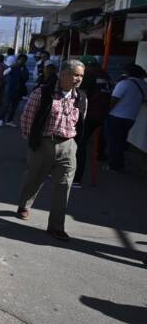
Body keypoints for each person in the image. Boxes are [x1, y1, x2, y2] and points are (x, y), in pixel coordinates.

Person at [16, 60, 87, 241]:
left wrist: (75, 145)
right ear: (63, 74)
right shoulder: (42, 93)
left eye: (81, 76)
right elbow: (27, 119)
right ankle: (24, 205)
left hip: (68, 146)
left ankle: (56, 226)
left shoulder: (81, 98)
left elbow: (81, 122)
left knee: (63, 186)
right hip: (43, 144)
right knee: (34, 178)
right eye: (75, 75)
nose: (78, 79)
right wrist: (32, 143)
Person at [73, 56, 112, 185]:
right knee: (79, 144)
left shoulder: (89, 75)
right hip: (101, 116)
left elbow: (80, 96)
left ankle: (76, 178)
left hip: (87, 115)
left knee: (79, 145)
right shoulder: (105, 75)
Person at [105, 63, 147, 172]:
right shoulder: (144, 85)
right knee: (121, 141)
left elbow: (113, 100)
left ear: (128, 72)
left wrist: (105, 112)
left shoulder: (124, 83)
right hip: (131, 117)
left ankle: (114, 165)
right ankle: (119, 163)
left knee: (113, 142)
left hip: (116, 116)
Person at [0, 54, 29, 127]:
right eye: (20, 59)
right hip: (10, 90)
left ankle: (9, 120)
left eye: (23, 60)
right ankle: (0, 120)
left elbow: (26, 79)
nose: (22, 61)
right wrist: (11, 67)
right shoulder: (13, 67)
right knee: (6, 106)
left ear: (25, 61)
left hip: (19, 91)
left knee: (14, 107)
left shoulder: (25, 69)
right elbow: (4, 73)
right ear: (18, 60)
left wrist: (22, 74)